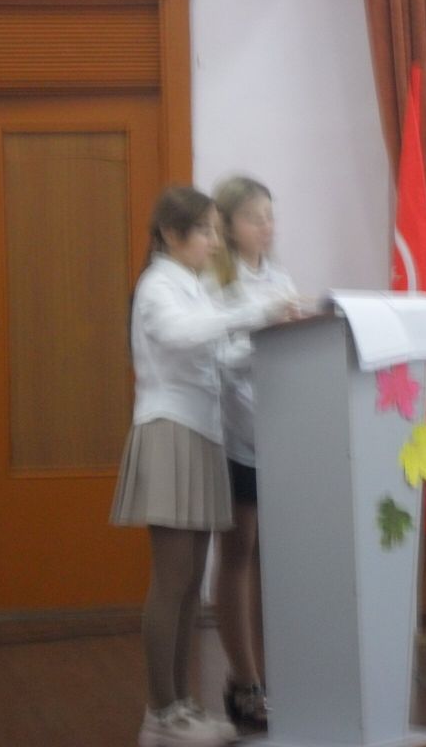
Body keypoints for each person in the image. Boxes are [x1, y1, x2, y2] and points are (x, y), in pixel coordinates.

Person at [110, 186, 292, 746]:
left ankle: (182, 705)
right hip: (170, 431)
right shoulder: (158, 284)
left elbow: (219, 356)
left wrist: (273, 336)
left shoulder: (190, 284)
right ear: (171, 235)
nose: (215, 242)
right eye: (206, 231)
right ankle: (159, 713)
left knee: (190, 583)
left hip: (200, 434)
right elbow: (181, 335)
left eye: (217, 229)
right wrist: (256, 311)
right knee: (171, 581)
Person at [206, 176, 299, 733]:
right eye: (253, 217)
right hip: (236, 430)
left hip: (281, 431)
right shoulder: (218, 281)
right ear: (227, 225)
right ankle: (243, 680)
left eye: (270, 215)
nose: (266, 226)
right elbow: (220, 358)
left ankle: (273, 674)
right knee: (239, 550)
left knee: (273, 557)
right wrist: (265, 329)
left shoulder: (280, 278)